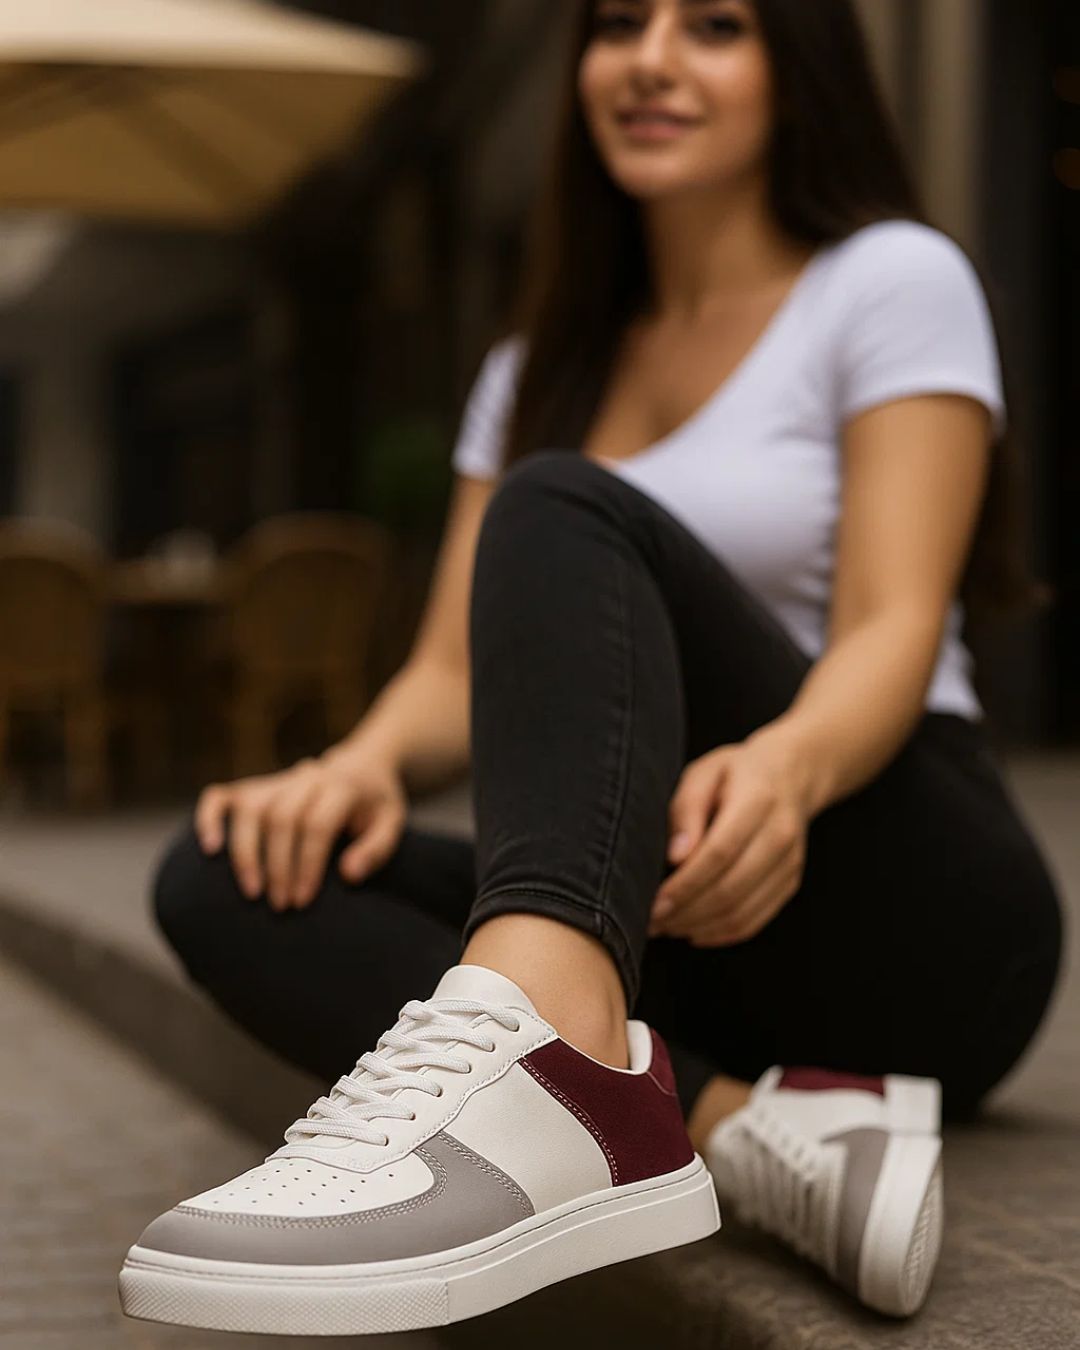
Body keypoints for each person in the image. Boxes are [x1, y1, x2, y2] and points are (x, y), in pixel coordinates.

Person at [120, 0, 1064, 1337]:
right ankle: (727, 1118)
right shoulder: (533, 367)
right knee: (225, 872)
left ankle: (557, 1066)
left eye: (717, 26)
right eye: (620, 23)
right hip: (665, 915)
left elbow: (894, 625)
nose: (653, 59)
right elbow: (450, 672)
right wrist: (353, 767)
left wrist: (789, 767)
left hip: (895, 886)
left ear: (796, 75)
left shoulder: (890, 278)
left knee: (565, 503)